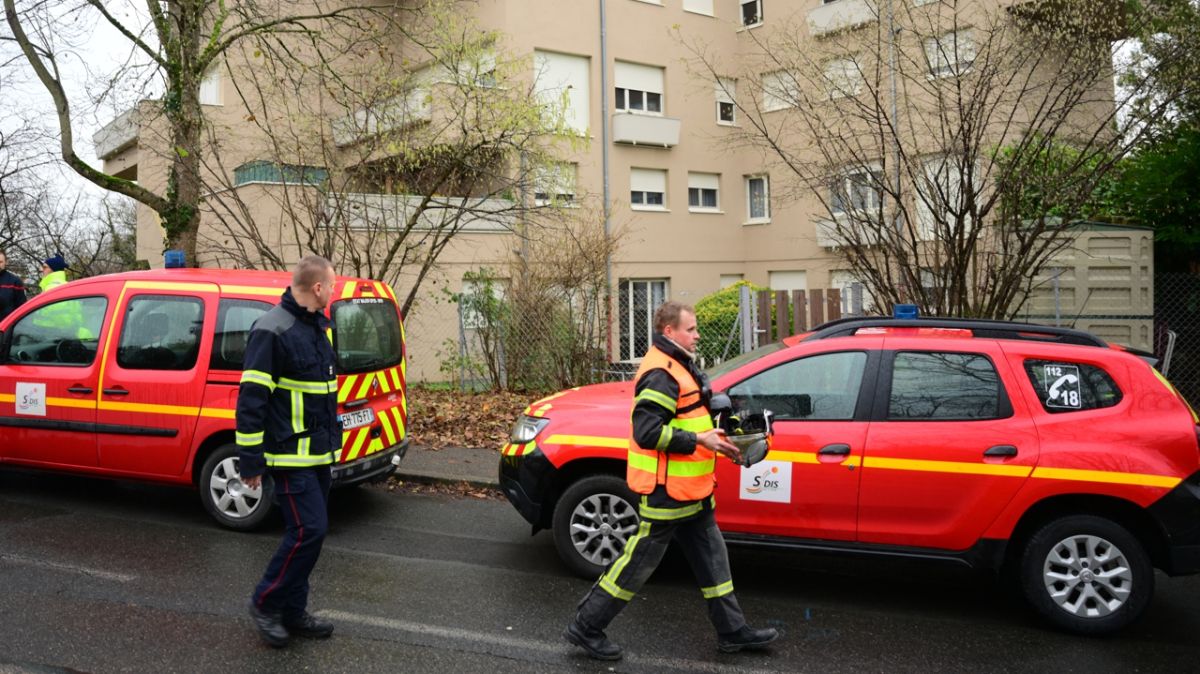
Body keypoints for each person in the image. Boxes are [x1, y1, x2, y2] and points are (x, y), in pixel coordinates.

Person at [564, 301, 780, 661]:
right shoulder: (661, 372)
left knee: (714, 559)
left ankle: (732, 631)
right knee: (637, 565)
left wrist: (722, 441)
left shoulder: (681, 364)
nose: (697, 335)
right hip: (666, 492)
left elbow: (690, 417)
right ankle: (586, 627)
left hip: (694, 489)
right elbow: (647, 432)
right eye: (691, 329)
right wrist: (699, 441)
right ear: (669, 332)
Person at [238, 255, 340, 648]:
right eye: (331, 285)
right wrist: (251, 461)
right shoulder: (272, 330)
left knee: (310, 535)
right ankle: (266, 602)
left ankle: (294, 612)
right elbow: (252, 401)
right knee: (308, 531)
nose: (333, 291)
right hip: (289, 455)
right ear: (317, 288)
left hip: (319, 454)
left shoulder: (317, 327)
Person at [0, 249, 26, 323]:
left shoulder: (15, 281)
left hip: (5, 328)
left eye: (0, 262)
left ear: (5, 262)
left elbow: (21, 308)